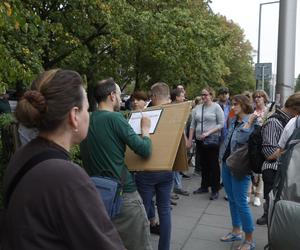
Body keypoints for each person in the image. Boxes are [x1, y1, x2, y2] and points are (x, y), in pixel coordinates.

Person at [2, 69, 125, 250]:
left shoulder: (23, 154)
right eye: (87, 109)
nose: (88, 115)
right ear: (74, 116)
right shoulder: (67, 177)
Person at [81, 78, 153, 250]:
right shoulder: (115, 118)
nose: (122, 100)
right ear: (112, 95)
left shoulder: (86, 120)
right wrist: (145, 129)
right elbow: (144, 150)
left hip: (98, 194)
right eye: (120, 95)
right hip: (123, 194)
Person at [135, 82, 174, 250]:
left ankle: (142, 246)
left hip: (147, 169)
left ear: (155, 96)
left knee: (142, 211)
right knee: (164, 211)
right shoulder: (177, 113)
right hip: (167, 169)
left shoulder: (147, 114)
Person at [256, 92, 300, 225]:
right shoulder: (275, 121)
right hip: (273, 169)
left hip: (282, 170)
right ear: (295, 108)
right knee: (273, 206)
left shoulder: (288, 120)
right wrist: (290, 150)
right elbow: (269, 153)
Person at [220, 94, 257, 250]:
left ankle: (249, 240)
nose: (232, 106)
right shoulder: (235, 120)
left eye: (235, 104)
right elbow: (228, 141)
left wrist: (248, 123)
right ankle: (236, 231)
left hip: (241, 167)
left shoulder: (252, 121)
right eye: (232, 104)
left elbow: (242, 139)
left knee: (241, 202)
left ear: (243, 105)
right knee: (232, 200)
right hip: (227, 163)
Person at [187, 87, 225, 200]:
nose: (203, 97)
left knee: (213, 165)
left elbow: (221, 124)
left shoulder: (216, 107)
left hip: (212, 140)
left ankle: (215, 189)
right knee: (203, 164)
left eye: (206, 94)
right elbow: (192, 125)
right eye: (202, 94)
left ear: (211, 96)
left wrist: (208, 132)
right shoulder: (197, 108)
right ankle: (204, 186)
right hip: (199, 140)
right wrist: (189, 139)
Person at [247, 90, 269, 207]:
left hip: (263, 143)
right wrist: (251, 120)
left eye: (260, 97)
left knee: (260, 170)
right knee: (250, 168)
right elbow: (246, 127)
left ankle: (257, 195)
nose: (257, 99)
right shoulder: (252, 111)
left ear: (264, 98)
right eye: (255, 97)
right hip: (252, 143)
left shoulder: (269, 111)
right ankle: (248, 193)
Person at [170, 88, 189, 196]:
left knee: (178, 164)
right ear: (177, 97)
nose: (184, 98)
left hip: (178, 139)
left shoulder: (180, 107)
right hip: (175, 141)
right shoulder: (172, 109)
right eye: (182, 96)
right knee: (173, 164)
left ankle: (177, 186)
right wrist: (185, 139)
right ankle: (172, 189)